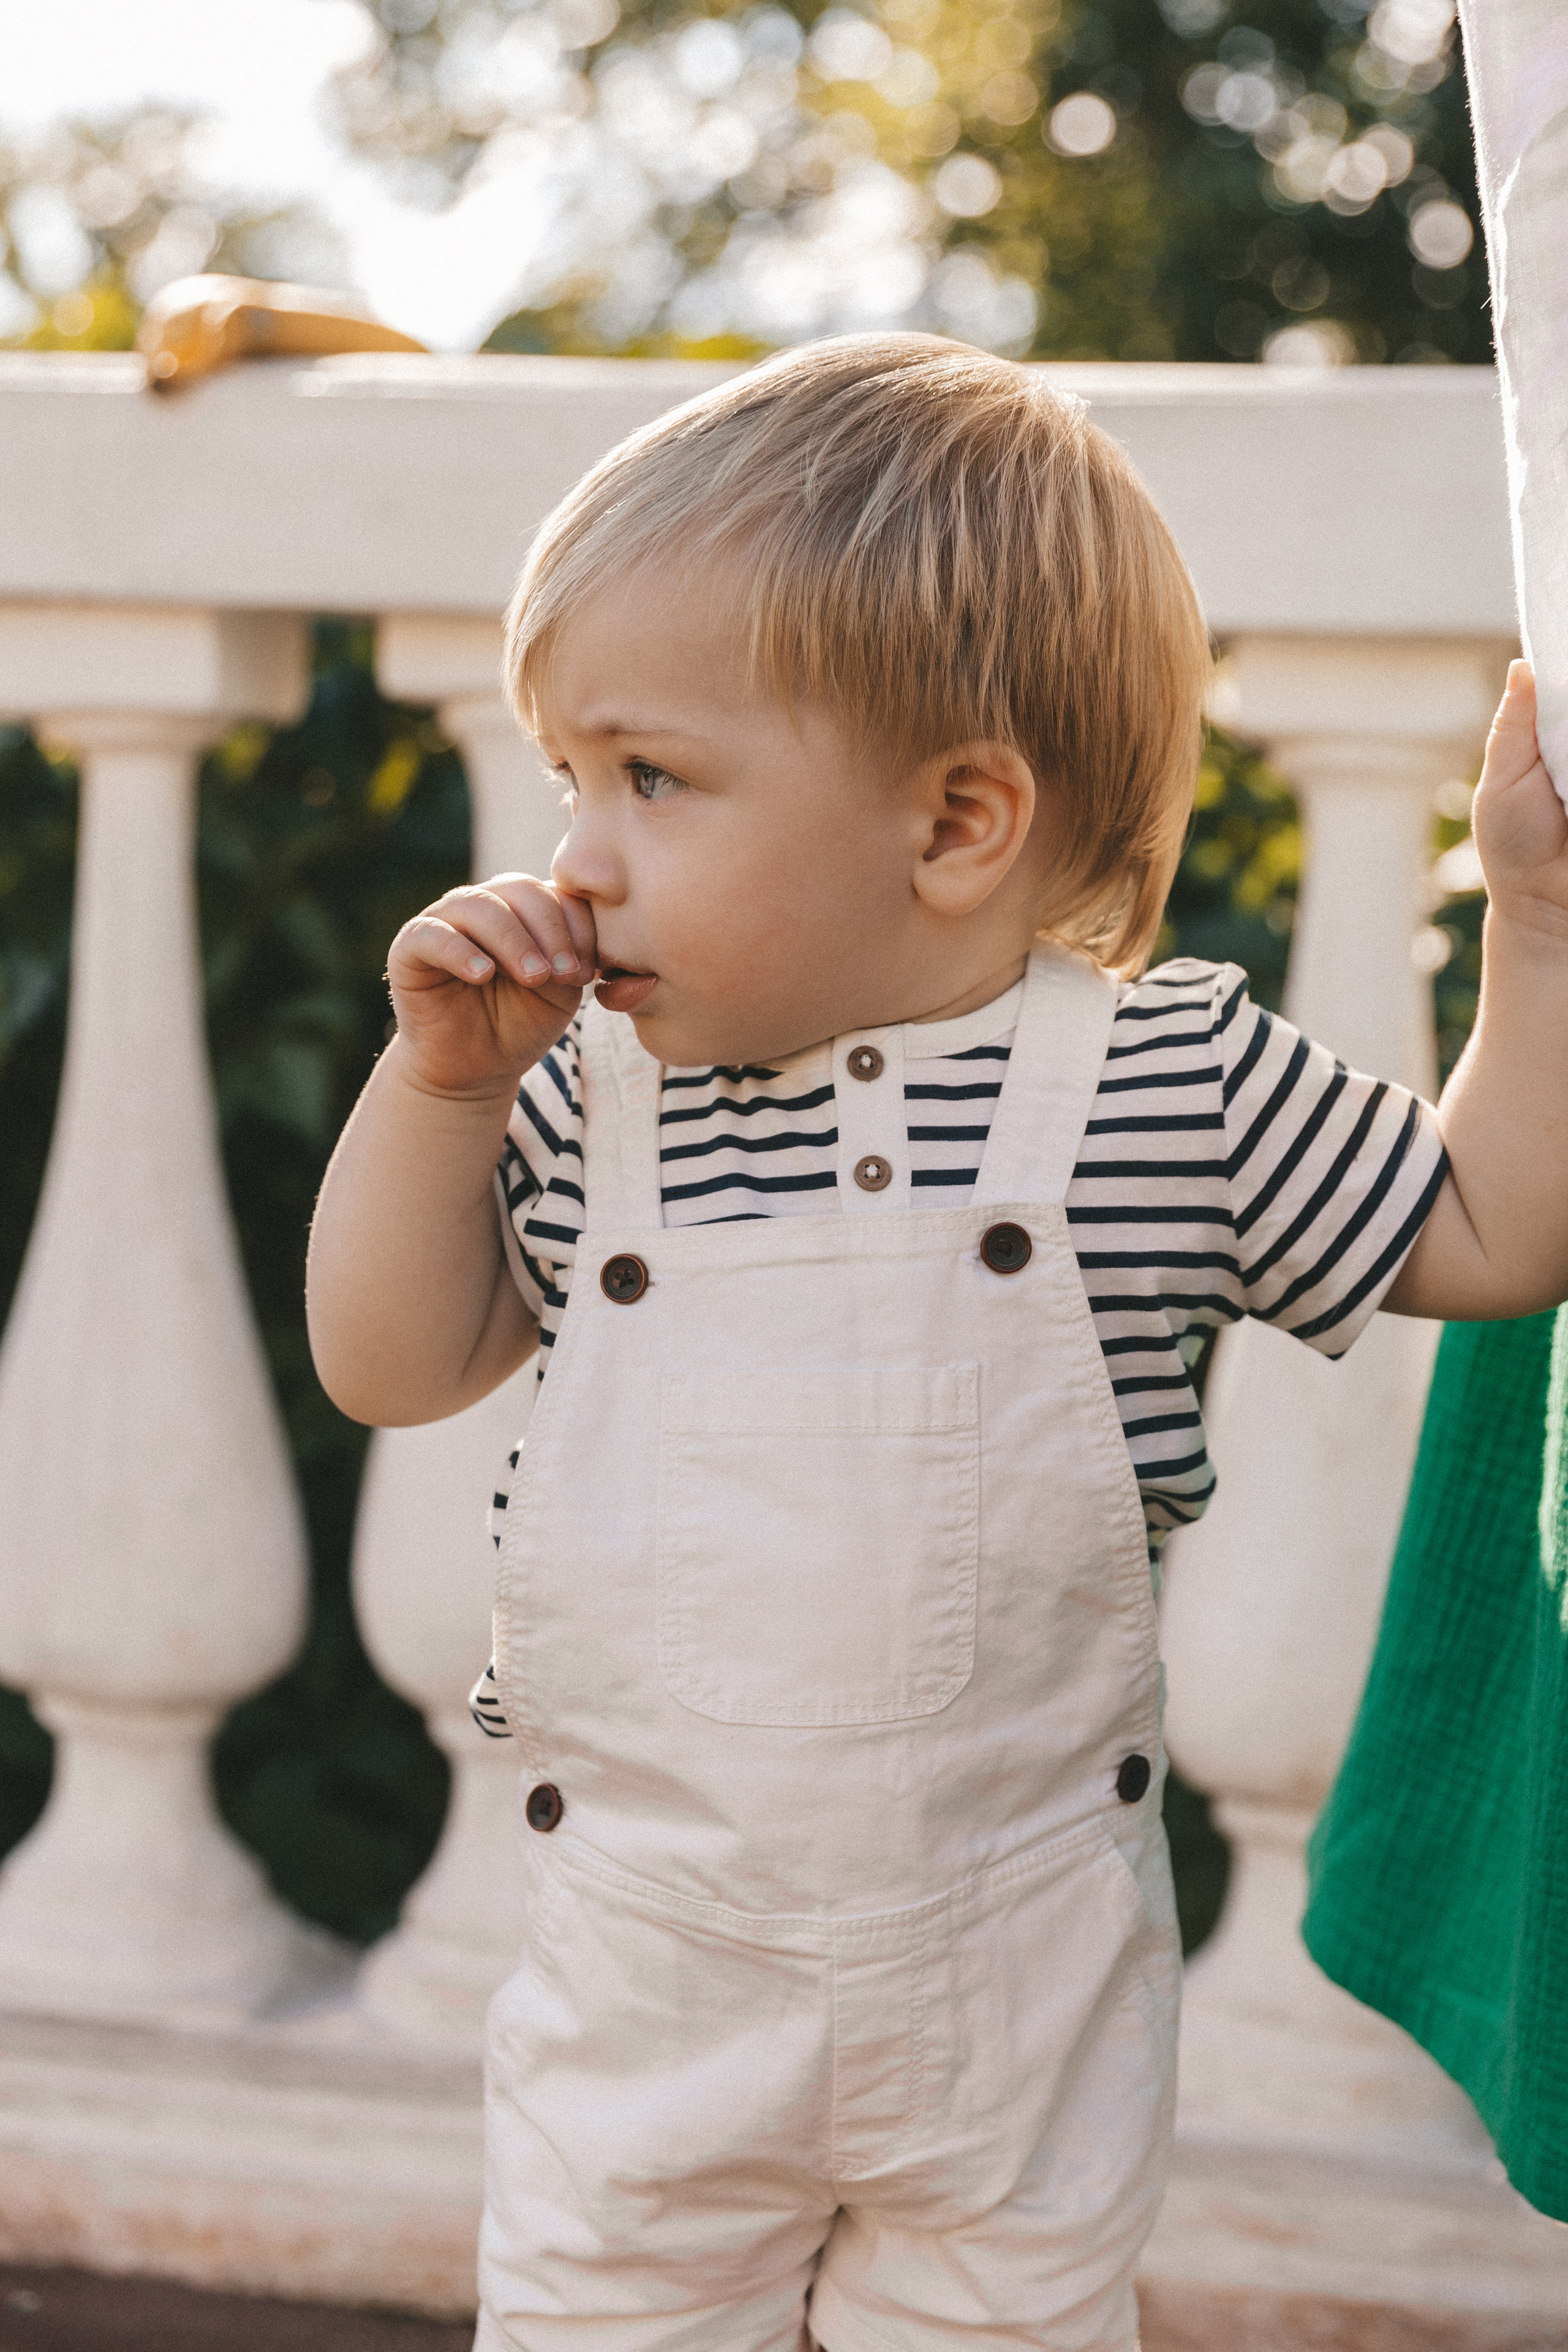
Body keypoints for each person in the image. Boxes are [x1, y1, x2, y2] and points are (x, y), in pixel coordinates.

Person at [306, 334, 1568, 2352]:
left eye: (650, 777)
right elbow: (388, 1362)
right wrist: (442, 1089)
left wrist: (1540, 926)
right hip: (649, 2000)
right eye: (570, 783)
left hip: (1017, 2009)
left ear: (960, 820)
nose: (579, 860)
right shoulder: (586, 1102)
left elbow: (1492, 1231)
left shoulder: (1167, 1085)